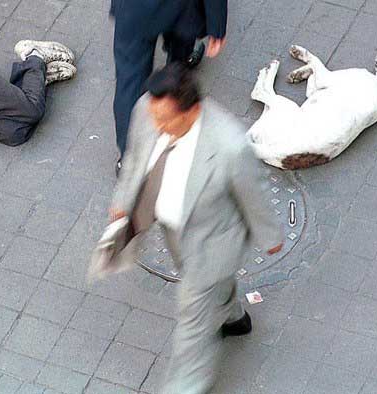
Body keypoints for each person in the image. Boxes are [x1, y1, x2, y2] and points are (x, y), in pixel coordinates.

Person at [109, 63, 283, 393]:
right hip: (173, 229)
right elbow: (135, 159)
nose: (157, 126)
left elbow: (252, 194)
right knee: (207, 288)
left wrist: (269, 236)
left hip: (212, 241)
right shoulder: (148, 107)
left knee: (193, 323)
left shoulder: (230, 146)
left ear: (193, 111)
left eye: (166, 121)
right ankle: (233, 317)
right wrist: (123, 199)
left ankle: (184, 387)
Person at [110, 0, 228, 173]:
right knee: (179, 53)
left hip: (134, 9)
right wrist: (217, 24)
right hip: (181, 8)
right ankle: (177, 69)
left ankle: (131, 159)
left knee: (129, 82)